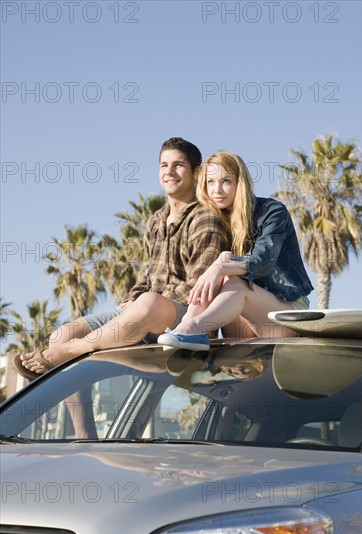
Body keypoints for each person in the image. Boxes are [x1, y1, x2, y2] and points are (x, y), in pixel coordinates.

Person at [16, 138, 231, 379]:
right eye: (163, 165)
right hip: (144, 314)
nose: (169, 172)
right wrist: (131, 301)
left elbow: (199, 288)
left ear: (197, 171)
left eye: (178, 165)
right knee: (60, 336)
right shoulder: (156, 220)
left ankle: (70, 351)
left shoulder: (206, 218)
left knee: (149, 302)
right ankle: (83, 415)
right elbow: (146, 276)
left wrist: (147, 303)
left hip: (186, 319)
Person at [157, 150, 314, 351]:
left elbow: (262, 261)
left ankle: (195, 328)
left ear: (240, 183)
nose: (217, 190)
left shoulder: (272, 212)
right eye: (210, 182)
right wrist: (219, 267)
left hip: (285, 315)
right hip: (243, 317)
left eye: (226, 181)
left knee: (230, 274)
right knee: (224, 258)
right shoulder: (217, 220)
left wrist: (219, 269)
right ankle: (187, 325)